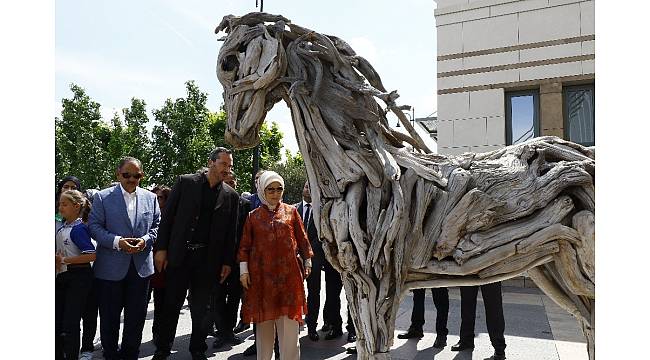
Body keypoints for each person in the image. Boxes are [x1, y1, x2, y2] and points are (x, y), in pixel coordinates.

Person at [152, 147, 240, 360]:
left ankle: (198, 349)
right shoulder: (186, 182)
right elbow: (167, 218)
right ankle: (162, 349)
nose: (227, 170)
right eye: (223, 164)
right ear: (211, 162)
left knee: (201, 309)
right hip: (179, 256)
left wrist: (227, 262)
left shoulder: (231, 196)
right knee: (170, 305)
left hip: (208, 262)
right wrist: (161, 249)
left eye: (230, 166)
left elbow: (231, 235)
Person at [88, 156, 160, 360]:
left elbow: (156, 226)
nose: (131, 179)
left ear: (142, 176)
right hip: (109, 269)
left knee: (136, 319)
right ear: (118, 174)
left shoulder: (151, 198)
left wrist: (145, 240)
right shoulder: (103, 197)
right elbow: (94, 227)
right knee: (110, 319)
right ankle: (110, 355)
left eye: (136, 175)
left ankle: (131, 355)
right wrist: (117, 241)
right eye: (127, 175)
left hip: (141, 268)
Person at [238, 171, 314, 360]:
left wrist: (308, 261)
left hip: (289, 279)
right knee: (264, 331)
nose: (275, 193)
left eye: (279, 189)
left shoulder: (291, 212)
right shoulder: (252, 217)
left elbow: (303, 240)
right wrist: (243, 272)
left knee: (289, 332)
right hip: (262, 280)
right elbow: (244, 247)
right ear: (262, 191)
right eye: (270, 189)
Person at [55, 190, 96, 360]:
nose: (60, 207)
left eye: (64, 204)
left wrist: (65, 260)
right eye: (59, 204)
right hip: (63, 277)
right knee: (58, 321)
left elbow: (91, 255)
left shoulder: (78, 229)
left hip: (78, 278)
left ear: (76, 206)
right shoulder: (63, 227)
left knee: (70, 323)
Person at [211, 174, 250, 348]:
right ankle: (221, 331)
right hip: (217, 259)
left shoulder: (245, 205)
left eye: (233, 181)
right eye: (227, 182)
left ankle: (229, 330)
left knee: (234, 296)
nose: (230, 184)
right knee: (217, 296)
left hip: (237, 259)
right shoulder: (214, 201)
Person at [295, 180, 325, 341]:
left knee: (314, 293)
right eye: (306, 186)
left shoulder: (321, 211)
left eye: (311, 187)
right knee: (295, 294)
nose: (308, 190)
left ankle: (312, 327)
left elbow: (322, 236)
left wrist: (308, 254)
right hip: (294, 260)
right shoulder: (293, 209)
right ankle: (295, 324)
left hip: (314, 260)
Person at [451, 282, 507, 360]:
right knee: (467, 304)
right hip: (468, 271)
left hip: (489, 271)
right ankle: (466, 340)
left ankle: (499, 348)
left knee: (494, 307)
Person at [79, 188, 101, 360]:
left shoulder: (97, 225)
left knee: (90, 314)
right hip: (70, 278)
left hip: (94, 278)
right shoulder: (65, 223)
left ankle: (87, 347)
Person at [149, 185, 171, 344]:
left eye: (160, 198)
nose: (156, 201)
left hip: (165, 266)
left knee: (163, 301)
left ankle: (162, 335)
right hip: (146, 264)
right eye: (154, 198)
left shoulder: (172, 218)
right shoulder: (148, 216)